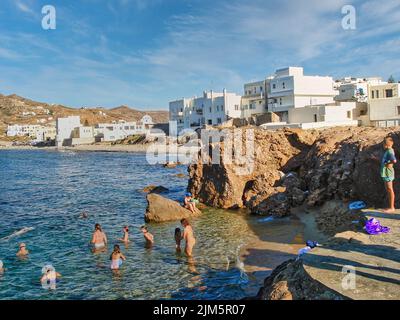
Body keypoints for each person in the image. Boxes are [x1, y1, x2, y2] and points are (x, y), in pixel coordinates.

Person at [379, 137, 397, 213]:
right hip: (386, 173)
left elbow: (394, 160)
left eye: (383, 144)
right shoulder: (388, 151)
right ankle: (390, 206)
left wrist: (388, 164)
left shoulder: (390, 151)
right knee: (388, 189)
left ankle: (392, 208)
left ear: (386, 144)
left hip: (388, 173)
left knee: (390, 190)